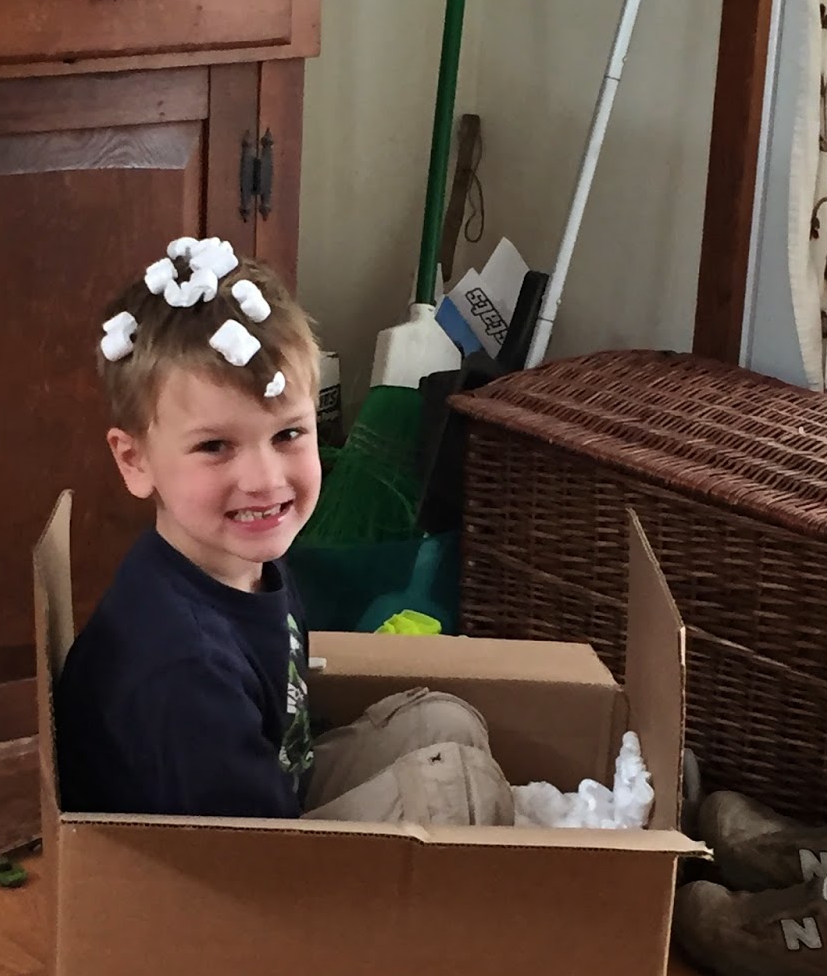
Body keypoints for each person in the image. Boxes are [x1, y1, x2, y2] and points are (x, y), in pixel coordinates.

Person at [54, 236, 513, 827]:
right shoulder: (181, 670)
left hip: (269, 793)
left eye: (288, 434)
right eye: (215, 446)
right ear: (135, 460)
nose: (266, 480)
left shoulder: (250, 566)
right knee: (459, 790)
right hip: (221, 867)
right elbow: (247, 864)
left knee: (446, 724)